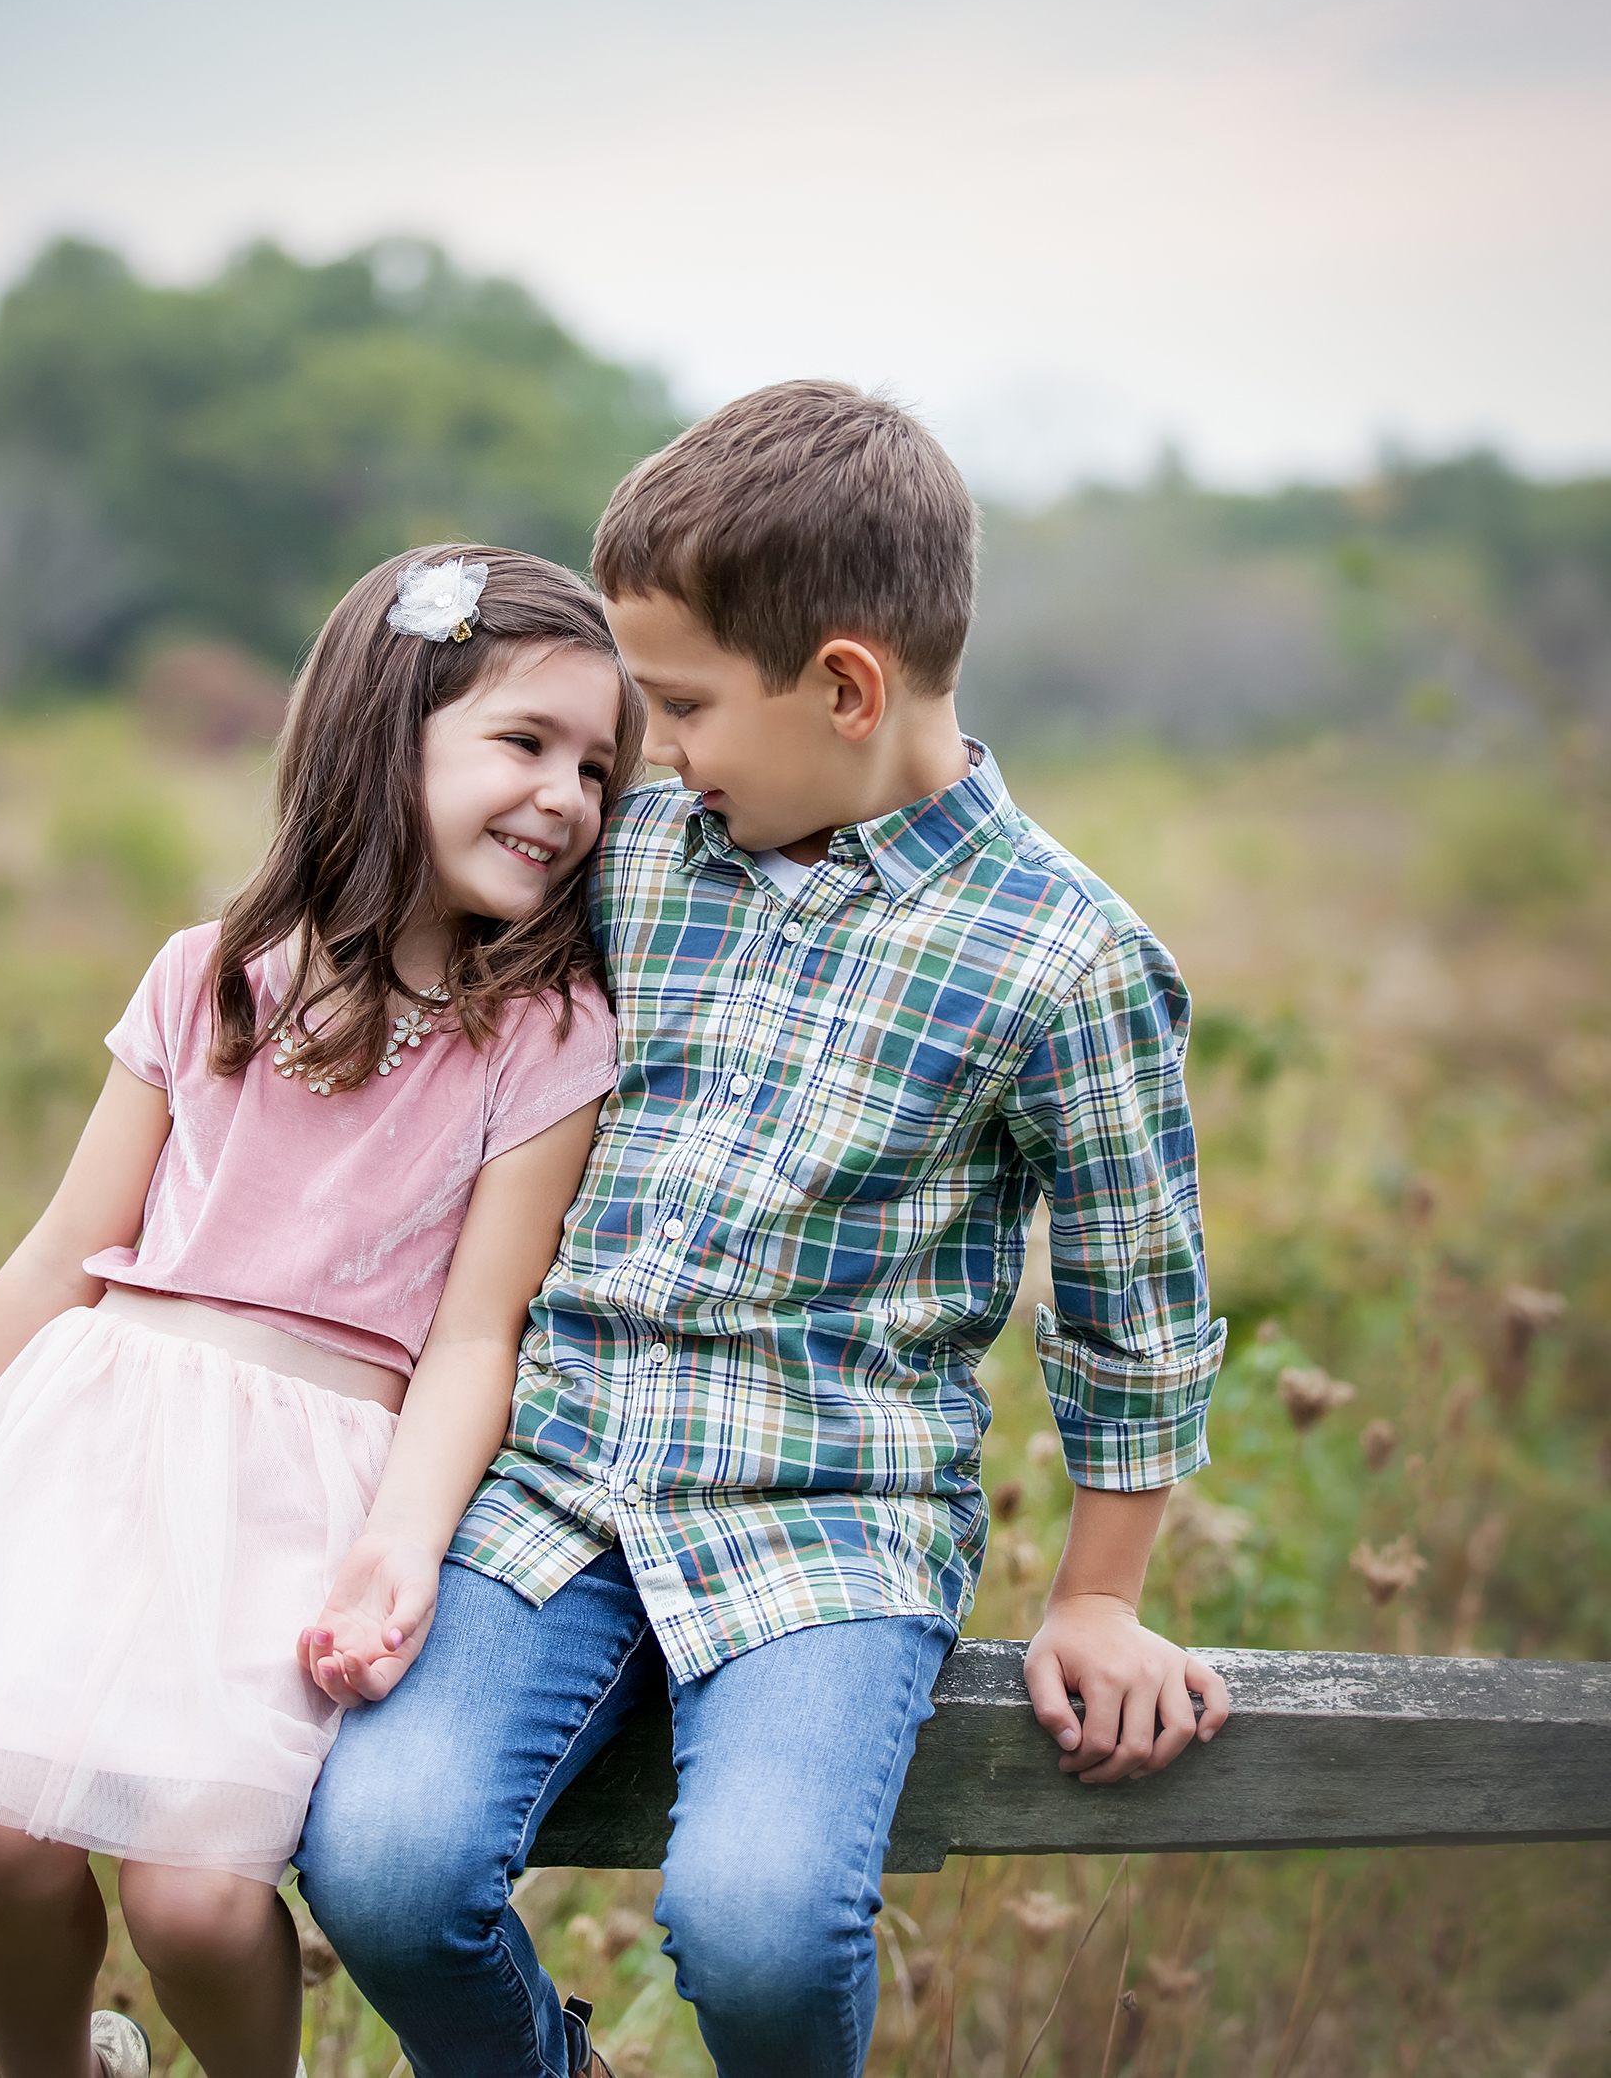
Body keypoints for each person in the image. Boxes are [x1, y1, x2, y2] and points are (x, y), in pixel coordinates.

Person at [296, 383, 1234, 2078]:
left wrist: (1098, 1599)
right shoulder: (641, 861)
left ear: (846, 687)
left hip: (833, 1519)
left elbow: (1132, 1316)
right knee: (379, 1860)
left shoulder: (1066, 959)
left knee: (762, 1929)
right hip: (554, 1476)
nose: (655, 757)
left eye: (680, 708)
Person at [0, 546, 645, 2078]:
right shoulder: (211, 979)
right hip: (94, 1445)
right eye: (525, 745)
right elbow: (63, 1249)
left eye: (599, 767)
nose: (569, 798)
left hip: (304, 1490)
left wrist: (401, 1542)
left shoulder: (545, 1034)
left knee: (198, 1899)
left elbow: (477, 1334)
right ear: (380, 735)